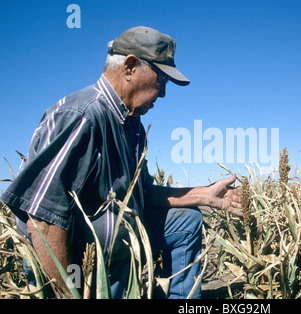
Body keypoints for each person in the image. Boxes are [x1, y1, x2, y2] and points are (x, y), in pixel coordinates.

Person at [0, 26, 242, 299]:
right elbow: (42, 221)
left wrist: (205, 195)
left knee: (186, 220)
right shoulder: (82, 116)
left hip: (118, 242)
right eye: (161, 79)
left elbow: (142, 193)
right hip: (80, 263)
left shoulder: (131, 124)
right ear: (129, 67)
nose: (163, 94)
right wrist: (67, 293)